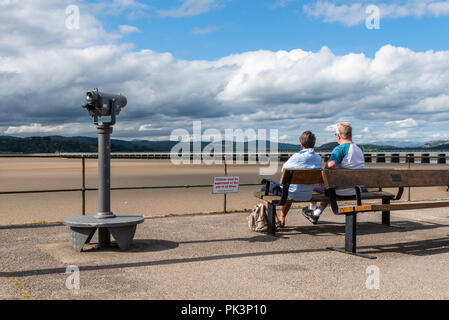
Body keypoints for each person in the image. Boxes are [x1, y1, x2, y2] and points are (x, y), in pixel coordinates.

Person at [302, 122, 365, 224]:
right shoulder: (358, 149)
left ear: (338, 135)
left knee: (312, 182)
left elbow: (331, 165)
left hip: (340, 191)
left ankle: (312, 208)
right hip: (355, 191)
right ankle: (316, 213)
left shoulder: (340, 148)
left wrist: (326, 164)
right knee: (329, 185)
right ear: (350, 135)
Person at [264, 131, 322, 227]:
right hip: (307, 193)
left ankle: (276, 220)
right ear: (314, 143)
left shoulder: (296, 157)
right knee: (290, 189)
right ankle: (282, 217)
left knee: (264, 191)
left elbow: (284, 170)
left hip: (292, 193)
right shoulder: (318, 158)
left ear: (301, 144)